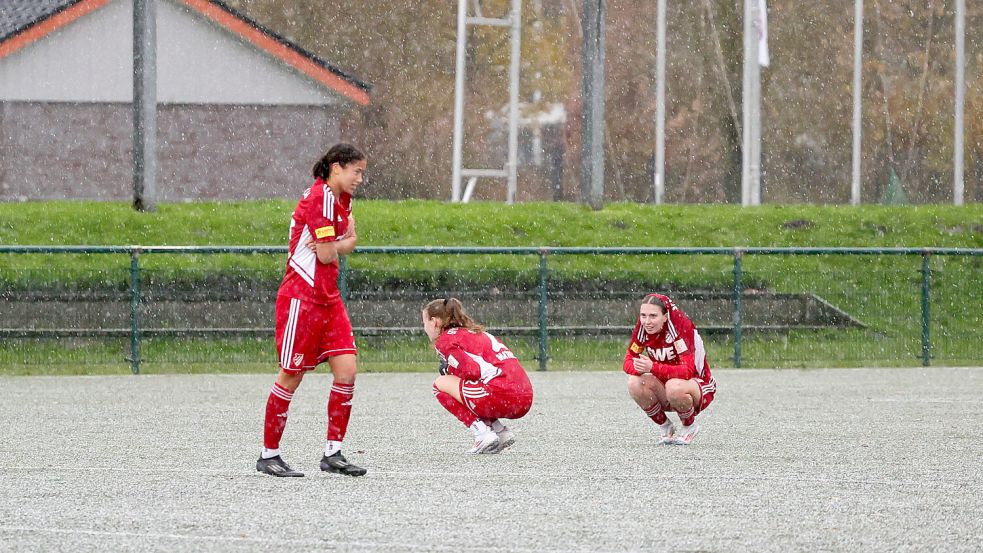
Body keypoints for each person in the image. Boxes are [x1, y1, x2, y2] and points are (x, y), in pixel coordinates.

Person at [256, 143, 368, 477]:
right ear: (337, 167)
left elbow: (341, 243)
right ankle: (268, 455)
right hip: (301, 299)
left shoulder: (341, 199)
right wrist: (343, 242)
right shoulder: (319, 198)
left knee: (347, 370)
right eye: (357, 171)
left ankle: (333, 453)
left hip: (328, 298)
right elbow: (326, 254)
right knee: (291, 376)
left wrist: (340, 243)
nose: (361, 178)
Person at [422, 298, 534, 454]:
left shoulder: (445, 340)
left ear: (434, 322)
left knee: (440, 384)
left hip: (504, 395)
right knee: (469, 387)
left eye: (424, 323)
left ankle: (482, 434)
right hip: (525, 397)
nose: (424, 328)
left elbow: (472, 371)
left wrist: (450, 371)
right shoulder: (476, 332)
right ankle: (500, 432)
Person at [623, 293, 716, 445]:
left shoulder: (680, 327)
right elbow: (627, 361)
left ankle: (689, 426)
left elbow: (687, 371)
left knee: (674, 386)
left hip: (697, 386)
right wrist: (639, 368)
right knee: (634, 383)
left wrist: (652, 367)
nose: (647, 322)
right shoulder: (643, 327)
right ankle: (666, 427)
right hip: (666, 387)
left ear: (665, 316)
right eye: (643, 316)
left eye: (653, 316)